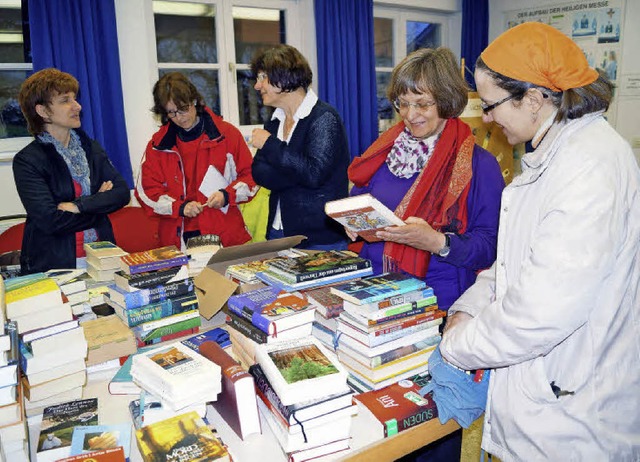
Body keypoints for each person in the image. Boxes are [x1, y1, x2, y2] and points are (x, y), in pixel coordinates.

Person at [439, 22, 640, 461]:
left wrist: (455, 347)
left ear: (534, 99)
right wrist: (468, 308)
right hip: (542, 396)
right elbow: (514, 261)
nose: (486, 117)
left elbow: (538, 315)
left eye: (490, 105)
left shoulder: (590, 166)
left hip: (571, 417)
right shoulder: (552, 151)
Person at [347, 47, 504, 461]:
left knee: (432, 430)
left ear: (447, 101)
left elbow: (491, 246)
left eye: (423, 103)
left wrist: (437, 241)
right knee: (383, 424)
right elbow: (361, 199)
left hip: (436, 314)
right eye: (402, 103)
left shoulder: (479, 166)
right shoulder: (384, 154)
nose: (410, 114)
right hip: (377, 306)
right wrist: (354, 223)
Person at [13, 68, 130, 274]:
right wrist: (100, 206)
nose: (77, 106)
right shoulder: (27, 160)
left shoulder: (90, 147)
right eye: (65, 100)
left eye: (74, 98)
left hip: (102, 257)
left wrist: (78, 206)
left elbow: (121, 193)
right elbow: (50, 221)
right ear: (43, 111)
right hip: (54, 265)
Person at [136, 72, 258, 248]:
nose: (180, 117)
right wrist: (179, 207)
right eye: (172, 112)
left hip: (224, 234)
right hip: (177, 239)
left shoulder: (227, 135)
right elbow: (145, 193)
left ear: (194, 101)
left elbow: (252, 177)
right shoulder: (157, 146)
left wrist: (226, 195)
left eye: (183, 108)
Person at [250, 44, 350, 250]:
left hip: (320, 239)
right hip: (278, 231)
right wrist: (297, 174)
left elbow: (313, 174)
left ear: (284, 77)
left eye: (262, 77)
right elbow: (258, 172)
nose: (257, 86)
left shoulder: (323, 118)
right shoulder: (275, 120)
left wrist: (269, 144)